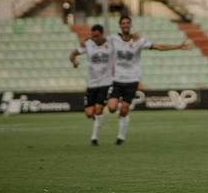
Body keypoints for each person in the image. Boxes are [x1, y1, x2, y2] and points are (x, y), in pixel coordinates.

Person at [107, 15, 192, 145]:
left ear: (130, 25)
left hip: (132, 79)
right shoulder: (113, 39)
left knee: (124, 109)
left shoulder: (139, 41)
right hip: (117, 79)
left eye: (127, 23)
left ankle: (121, 136)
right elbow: (99, 42)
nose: (125, 25)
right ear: (120, 26)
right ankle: (121, 118)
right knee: (112, 108)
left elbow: (159, 47)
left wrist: (178, 47)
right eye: (123, 23)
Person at [69, 24, 113, 146]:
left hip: (106, 83)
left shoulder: (110, 44)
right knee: (89, 113)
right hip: (92, 84)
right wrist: (74, 62)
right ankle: (97, 120)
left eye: (97, 36)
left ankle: (94, 138)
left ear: (102, 34)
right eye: (93, 36)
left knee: (98, 109)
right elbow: (72, 54)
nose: (95, 38)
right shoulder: (88, 44)